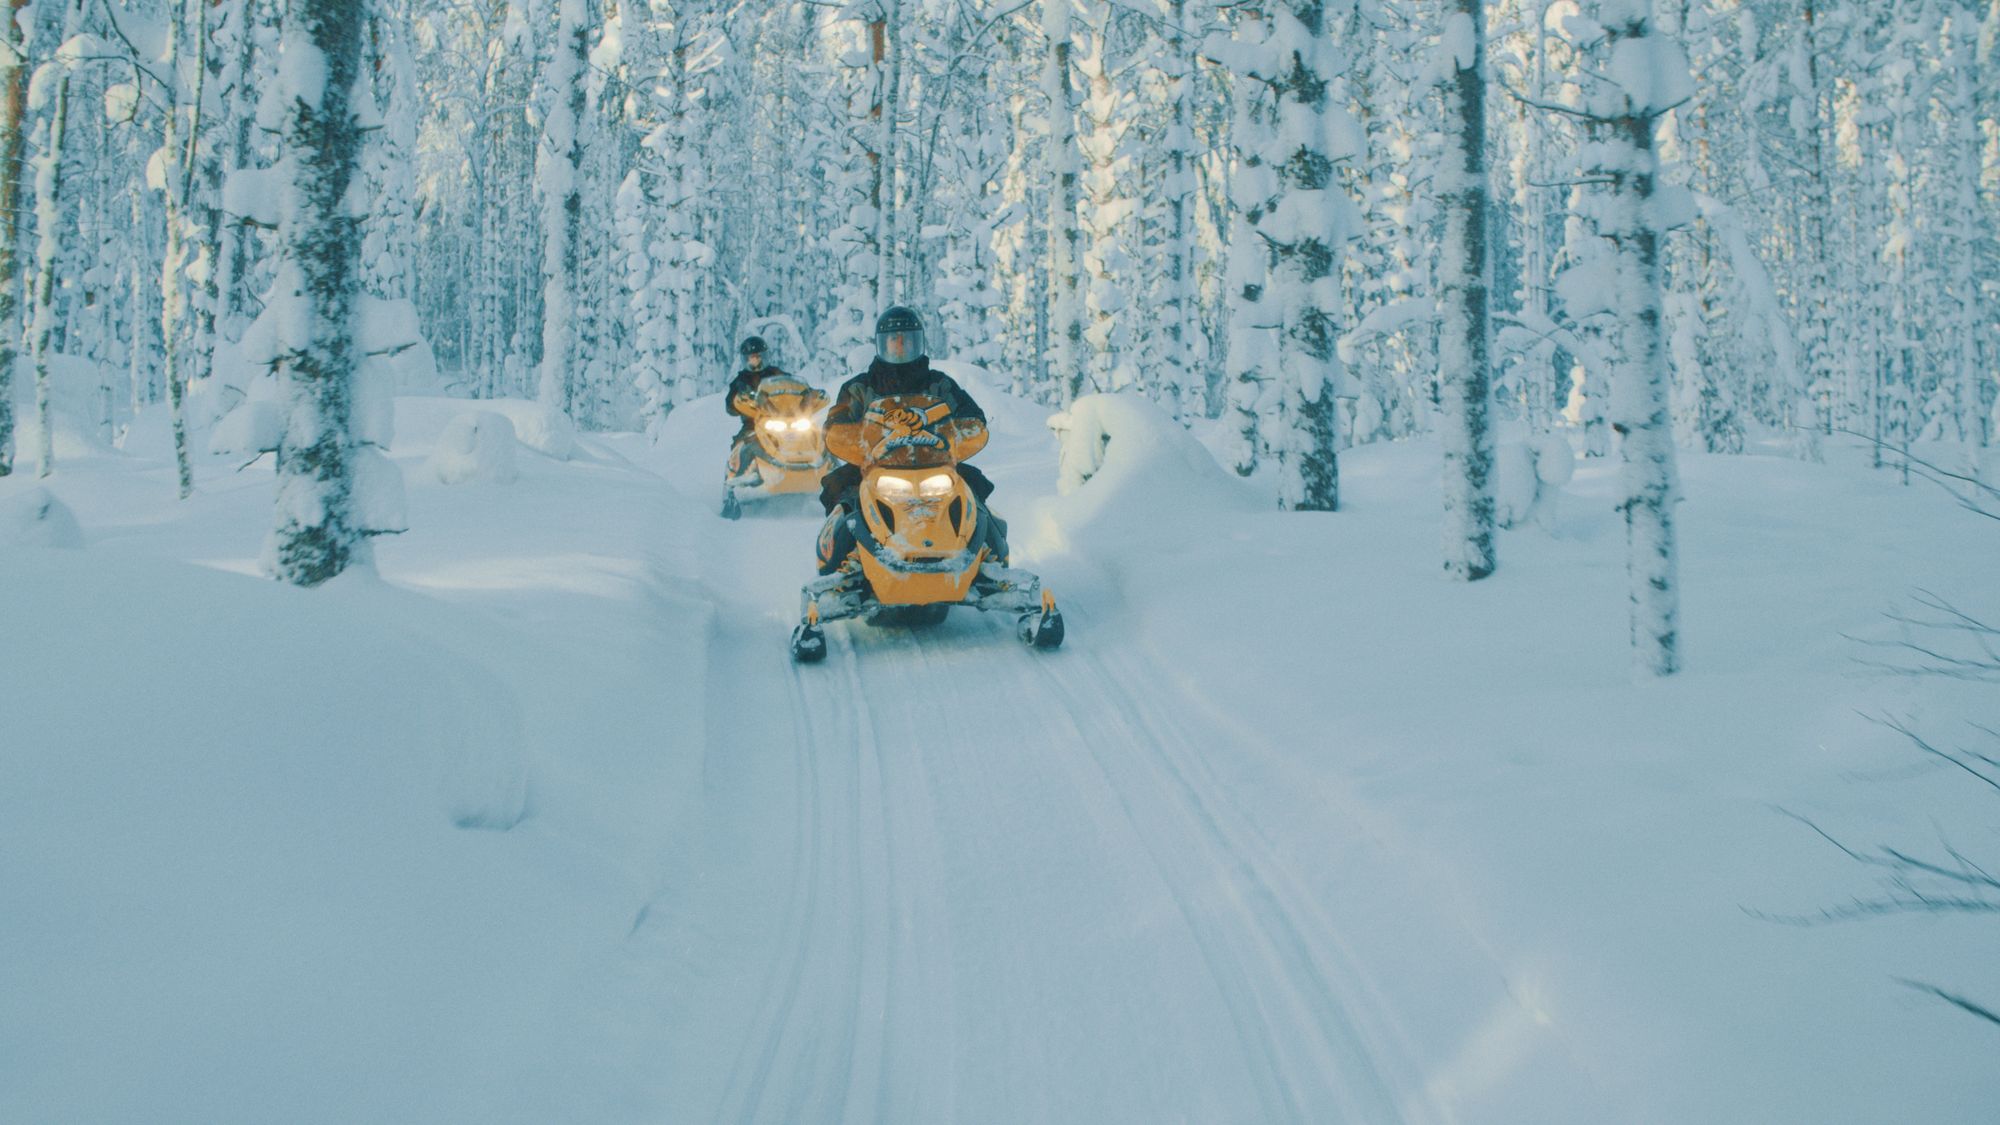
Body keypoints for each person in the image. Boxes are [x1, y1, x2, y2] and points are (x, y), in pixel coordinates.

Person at [817, 306, 1007, 570]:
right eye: (893, 339)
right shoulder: (859, 387)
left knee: (973, 492)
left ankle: (989, 562)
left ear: (919, 342)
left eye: (907, 338)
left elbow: (971, 415)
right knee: (841, 495)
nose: (900, 345)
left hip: (936, 464)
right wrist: (842, 433)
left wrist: (967, 429)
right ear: (881, 344)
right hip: (874, 466)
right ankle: (841, 566)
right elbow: (838, 420)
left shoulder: (940, 384)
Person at [725, 335, 785, 475]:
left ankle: (827, 470)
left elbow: (793, 387)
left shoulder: (776, 373)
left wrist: (807, 395)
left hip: (782, 418)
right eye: (752, 358)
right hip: (753, 422)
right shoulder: (740, 380)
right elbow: (730, 405)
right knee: (743, 444)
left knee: (812, 434)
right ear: (746, 360)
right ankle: (739, 478)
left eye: (758, 357)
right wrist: (738, 401)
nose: (756, 361)